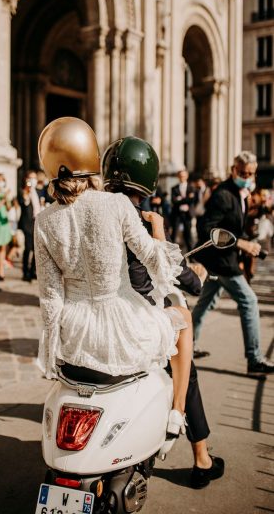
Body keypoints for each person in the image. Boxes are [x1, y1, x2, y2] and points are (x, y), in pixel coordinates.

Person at [35, 117, 193, 439]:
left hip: (75, 332)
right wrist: (159, 231)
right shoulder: (116, 204)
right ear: (90, 158)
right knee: (184, 318)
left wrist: (52, 353)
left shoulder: (44, 220)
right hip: (121, 326)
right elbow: (156, 261)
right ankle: (178, 410)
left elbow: (50, 297)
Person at [102, 135, 224, 489]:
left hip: (95, 320)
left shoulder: (94, 214)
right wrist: (186, 264)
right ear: (149, 180)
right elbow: (176, 276)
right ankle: (198, 452)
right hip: (133, 319)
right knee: (185, 350)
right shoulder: (140, 221)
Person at [192, 151, 274, 375]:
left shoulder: (241, 192)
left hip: (221, 260)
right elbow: (207, 229)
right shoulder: (223, 194)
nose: (247, 177)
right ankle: (254, 358)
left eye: (251, 174)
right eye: (243, 173)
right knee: (249, 301)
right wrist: (241, 244)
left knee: (205, 303)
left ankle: (185, 346)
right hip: (221, 261)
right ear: (233, 170)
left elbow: (234, 224)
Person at [18, 170, 41, 282]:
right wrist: (26, 193)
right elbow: (23, 203)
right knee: (27, 248)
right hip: (27, 223)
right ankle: (25, 272)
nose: (33, 180)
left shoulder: (38, 192)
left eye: (34, 178)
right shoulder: (23, 191)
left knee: (36, 249)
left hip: (36, 222)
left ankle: (33, 271)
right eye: (30, 178)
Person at [170, 168, 196, 252]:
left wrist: (180, 199)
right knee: (174, 234)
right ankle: (171, 253)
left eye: (184, 176)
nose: (182, 177)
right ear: (178, 177)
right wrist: (186, 199)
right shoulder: (174, 188)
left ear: (187, 176)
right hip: (177, 213)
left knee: (188, 235)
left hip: (187, 213)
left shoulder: (191, 187)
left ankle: (191, 254)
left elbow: (192, 200)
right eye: (181, 176)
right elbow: (174, 201)